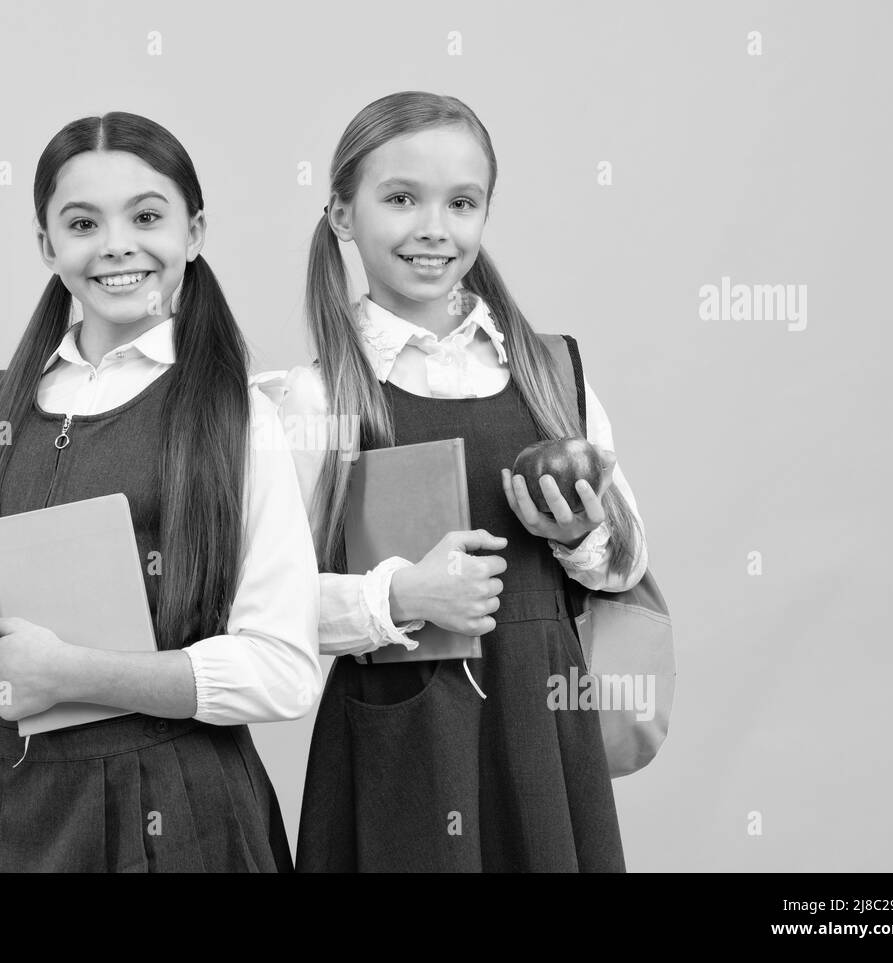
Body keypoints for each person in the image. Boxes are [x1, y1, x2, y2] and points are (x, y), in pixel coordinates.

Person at [0, 112, 321, 872]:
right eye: (83, 222)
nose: (117, 244)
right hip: (16, 807)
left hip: (179, 817)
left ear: (194, 232)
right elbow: (24, 647)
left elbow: (282, 668)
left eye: (148, 216)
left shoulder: (239, 416)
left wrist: (74, 672)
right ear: (47, 245)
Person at [255, 91, 648, 872]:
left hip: (542, 720)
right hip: (402, 736)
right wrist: (399, 597)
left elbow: (628, 564)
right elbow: (265, 607)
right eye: (401, 198)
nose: (435, 227)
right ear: (341, 214)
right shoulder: (314, 398)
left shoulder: (550, 370)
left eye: (462, 203)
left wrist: (579, 535)